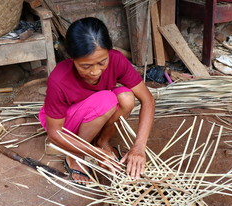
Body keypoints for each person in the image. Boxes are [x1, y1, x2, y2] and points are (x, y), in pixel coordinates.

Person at [39, 17, 155, 184]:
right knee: (106, 99)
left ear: (109, 52)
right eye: (85, 66)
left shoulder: (117, 60)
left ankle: (102, 141)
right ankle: (76, 155)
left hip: (96, 111)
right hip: (65, 125)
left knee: (126, 97)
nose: (95, 72)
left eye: (102, 62)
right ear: (71, 58)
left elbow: (148, 100)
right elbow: (54, 133)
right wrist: (95, 154)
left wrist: (139, 148)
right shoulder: (59, 79)